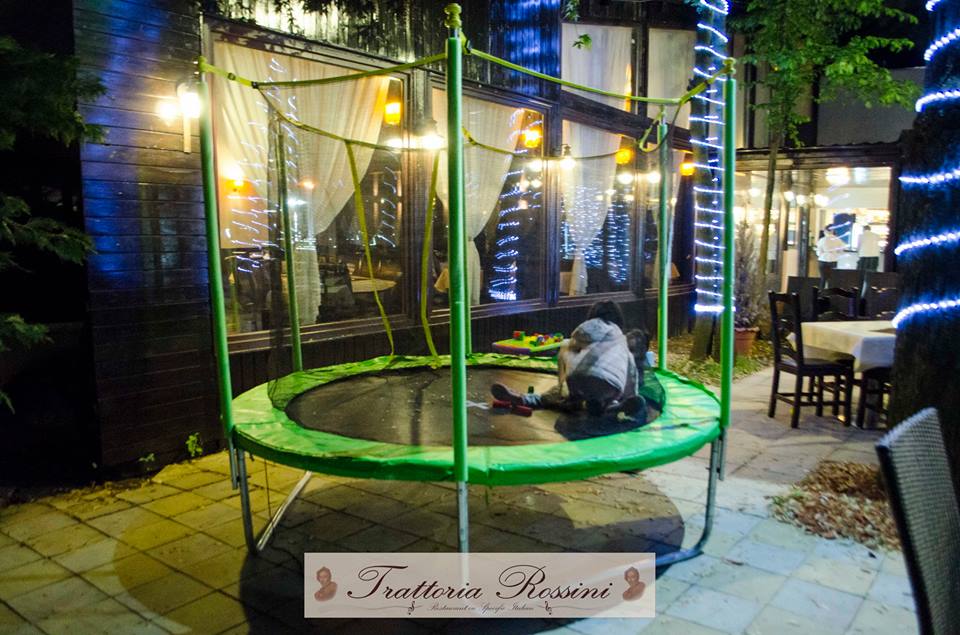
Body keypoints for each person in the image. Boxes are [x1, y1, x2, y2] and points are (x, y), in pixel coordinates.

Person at [491, 300, 642, 417]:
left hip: (577, 380)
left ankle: (526, 399)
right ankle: (611, 407)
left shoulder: (582, 331)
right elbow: (631, 372)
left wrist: (563, 385)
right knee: (610, 397)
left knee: (560, 397)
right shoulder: (620, 339)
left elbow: (565, 353)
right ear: (618, 320)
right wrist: (631, 396)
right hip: (609, 384)